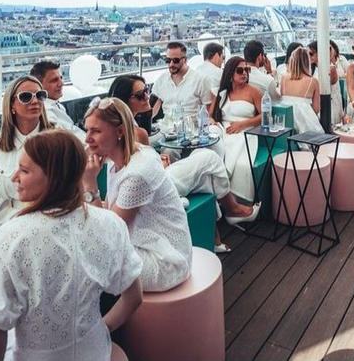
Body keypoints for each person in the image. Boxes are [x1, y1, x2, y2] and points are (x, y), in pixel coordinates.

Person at [0, 131, 143, 361]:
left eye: (25, 170)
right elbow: (134, 297)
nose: (13, 177)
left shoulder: (10, 237)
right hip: (95, 352)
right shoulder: (110, 223)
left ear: (53, 176)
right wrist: (100, 330)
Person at [110, 75, 257, 253]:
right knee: (208, 158)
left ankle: (216, 235)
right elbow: (144, 171)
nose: (148, 96)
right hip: (156, 188)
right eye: (141, 94)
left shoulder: (118, 129)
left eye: (147, 91)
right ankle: (232, 211)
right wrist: (160, 164)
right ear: (126, 101)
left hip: (144, 186)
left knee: (205, 169)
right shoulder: (137, 132)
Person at [82, 98, 193, 292]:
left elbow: (107, 233)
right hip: (145, 243)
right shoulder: (116, 160)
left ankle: (99, 318)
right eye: (87, 130)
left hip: (165, 260)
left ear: (119, 132)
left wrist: (90, 184)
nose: (87, 138)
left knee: (87, 257)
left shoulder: (137, 173)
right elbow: (107, 213)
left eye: (96, 131)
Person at [0, 76, 55, 226]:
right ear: (12, 106)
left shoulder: (57, 139)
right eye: (26, 97)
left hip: (48, 221)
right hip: (5, 222)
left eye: (40, 95)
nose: (35, 101)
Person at [207, 56, 263, 202]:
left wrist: (242, 124)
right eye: (240, 70)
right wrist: (212, 122)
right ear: (231, 73)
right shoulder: (221, 93)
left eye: (247, 69)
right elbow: (210, 115)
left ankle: (232, 198)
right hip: (224, 129)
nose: (244, 73)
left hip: (245, 131)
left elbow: (264, 116)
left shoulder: (253, 92)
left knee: (240, 162)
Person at [152, 42, 214, 121]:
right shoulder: (161, 80)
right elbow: (153, 108)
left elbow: (208, 111)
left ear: (185, 60)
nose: (171, 64)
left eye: (175, 60)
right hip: (167, 128)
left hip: (192, 129)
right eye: (168, 60)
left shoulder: (200, 80)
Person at [30, 60, 85, 137]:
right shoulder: (46, 114)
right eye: (54, 80)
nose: (61, 83)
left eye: (61, 78)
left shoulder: (56, 104)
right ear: (38, 86)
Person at [278, 47, 324, 134]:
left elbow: (283, 101)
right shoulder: (313, 81)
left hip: (286, 123)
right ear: (307, 62)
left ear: (292, 61)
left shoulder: (284, 78)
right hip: (305, 123)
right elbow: (316, 109)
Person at [307, 39, 346, 124]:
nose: (308, 56)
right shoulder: (311, 69)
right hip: (317, 103)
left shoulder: (331, 68)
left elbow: (325, 87)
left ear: (319, 53)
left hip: (330, 104)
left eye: (311, 54)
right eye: (307, 54)